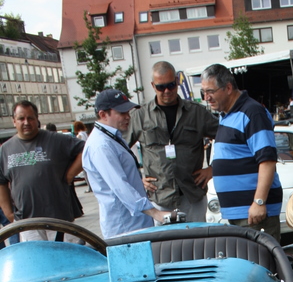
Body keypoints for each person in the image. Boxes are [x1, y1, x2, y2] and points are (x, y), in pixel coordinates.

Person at [128, 61, 219, 222]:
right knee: (165, 240)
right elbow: (119, 150)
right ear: (153, 86)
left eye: (171, 85)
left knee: (196, 238)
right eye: (161, 87)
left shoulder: (196, 112)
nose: (167, 91)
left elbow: (227, 138)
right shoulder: (140, 116)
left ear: (177, 81)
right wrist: (137, 178)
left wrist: (213, 168)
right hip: (160, 199)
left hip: (192, 195)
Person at [200, 63, 282, 241]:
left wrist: (259, 201)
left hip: (253, 213)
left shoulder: (252, 112)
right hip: (242, 212)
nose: (206, 98)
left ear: (228, 88)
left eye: (210, 92)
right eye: (203, 92)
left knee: (261, 259)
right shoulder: (226, 115)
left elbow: (267, 160)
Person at [82, 88, 172, 239]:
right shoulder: (101, 145)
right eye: (121, 113)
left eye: (128, 112)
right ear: (103, 114)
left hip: (135, 222)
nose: (127, 117)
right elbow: (119, 185)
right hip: (125, 227)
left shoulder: (112, 137)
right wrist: (156, 213)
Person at [0, 100, 84, 242]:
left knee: (65, 255)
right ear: (14, 121)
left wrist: (70, 174)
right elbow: (1, 181)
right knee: (35, 256)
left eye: (30, 118)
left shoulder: (56, 140)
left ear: (37, 119)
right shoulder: (5, 149)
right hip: (27, 222)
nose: (26, 122)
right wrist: (9, 213)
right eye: (21, 118)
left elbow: (86, 150)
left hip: (59, 218)